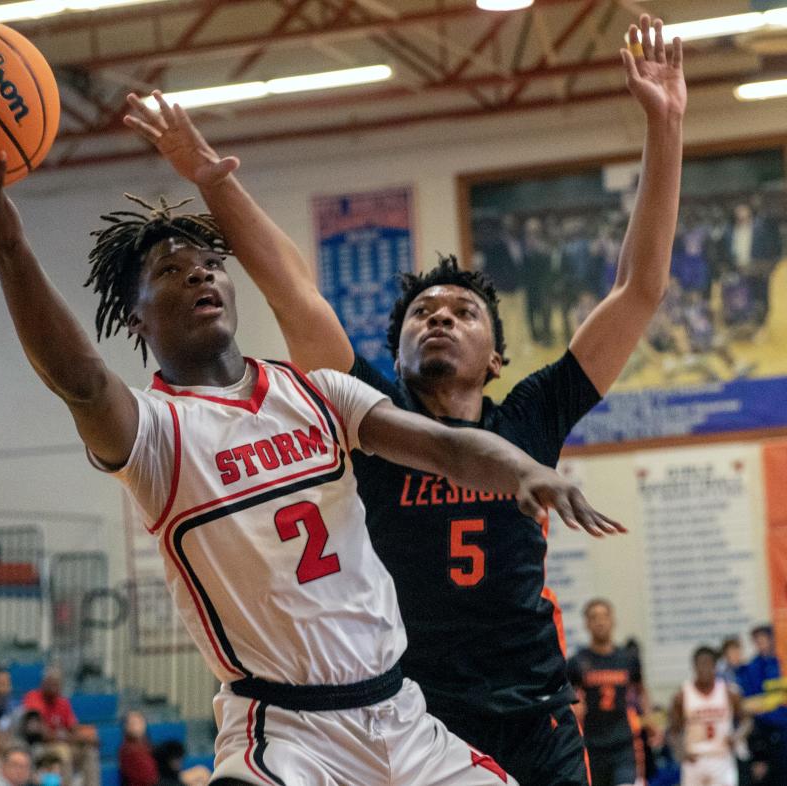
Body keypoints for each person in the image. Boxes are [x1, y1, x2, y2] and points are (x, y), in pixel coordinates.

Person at [0, 89, 622, 783]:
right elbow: (82, 381)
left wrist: (523, 470)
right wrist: (7, 244)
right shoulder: (156, 435)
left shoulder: (318, 392)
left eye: (210, 264)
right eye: (170, 271)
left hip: (402, 713)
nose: (199, 276)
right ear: (135, 319)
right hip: (286, 730)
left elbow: (449, 448)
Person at [127, 13, 684, 786]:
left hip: (534, 711)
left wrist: (667, 125)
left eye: (463, 311)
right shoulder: (366, 414)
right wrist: (211, 180)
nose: (441, 318)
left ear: (496, 360)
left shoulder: (531, 416)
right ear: (392, 353)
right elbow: (292, 292)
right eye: (424, 312)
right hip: (412, 712)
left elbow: (640, 288)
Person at [568, 599, 650, 786]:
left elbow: (641, 690)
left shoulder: (627, 658)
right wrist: (574, 708)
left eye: (604, 616)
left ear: (613, 620)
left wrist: (649, 719)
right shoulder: (577, 662)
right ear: (586, 624)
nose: (600, 621)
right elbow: (566, 696)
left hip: (623, 743)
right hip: (592, 744)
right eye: (594, 617)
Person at [669, 647, 746, 786]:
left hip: (721, 757)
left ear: (715, 666)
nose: (704, 668)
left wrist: (737, 736)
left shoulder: (729, 692)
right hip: (695, 758)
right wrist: (680, 751)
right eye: (700, 664)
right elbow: (673, 730)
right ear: (694, 666)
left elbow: (747, 720)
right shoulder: (682, 695)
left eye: (708, 664)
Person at [20, 666, 99, 786]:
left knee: (90, 751)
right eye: (50, 683)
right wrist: (70, 737)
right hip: (39, 746)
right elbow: (41, 733)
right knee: (63, 751)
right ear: (43, 683)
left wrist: (86, 736)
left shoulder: (63, 702)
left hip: (62, 742)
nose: (54, 687)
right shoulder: (33, 697)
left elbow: (74, 728)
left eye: (57, 684)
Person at [118, 711, 158, 786]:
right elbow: (149, 778)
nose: (136, 726)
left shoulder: (148, 745)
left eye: (140, 722)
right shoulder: (128, 750)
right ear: (126, 726)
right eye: (133, 723)